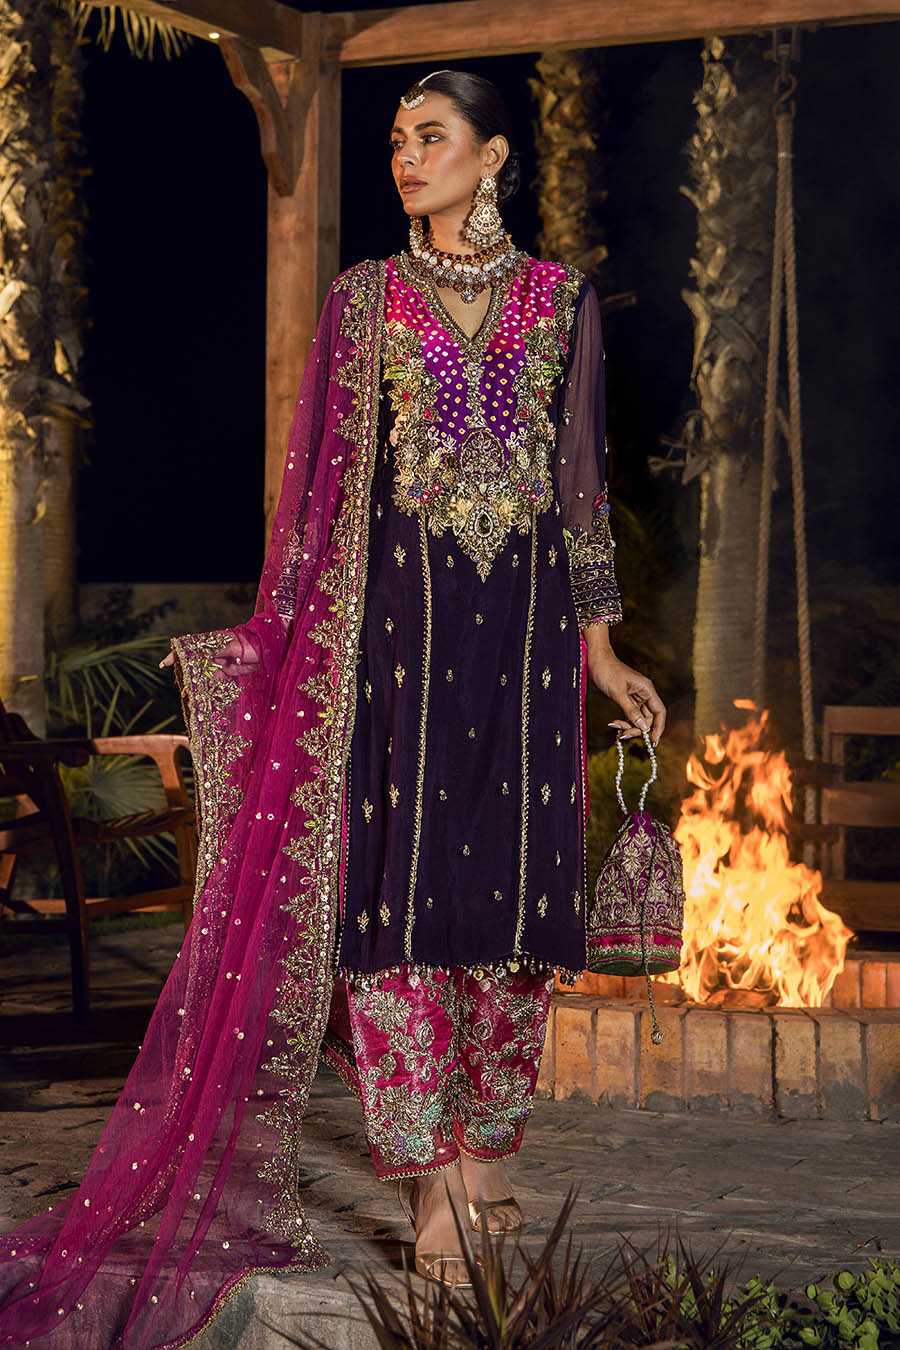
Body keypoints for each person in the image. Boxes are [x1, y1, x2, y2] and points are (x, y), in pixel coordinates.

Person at [0, 68, 664, 1346]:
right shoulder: (366, 301)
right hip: (398, 642)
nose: (406, 158)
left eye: (432, 138)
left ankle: (487, 1156)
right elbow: (321, 493)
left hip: (527, 641)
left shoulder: (561, 300)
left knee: (516, 897)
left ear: (494, 155)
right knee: (402, 893)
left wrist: (600, 649)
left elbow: (581, 483)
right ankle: (428, 1181)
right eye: (398, 140)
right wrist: (291, 651)